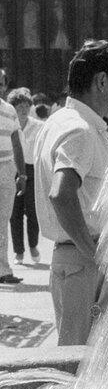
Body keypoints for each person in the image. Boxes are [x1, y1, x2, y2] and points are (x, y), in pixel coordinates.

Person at [34, 39, 108, 345]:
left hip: (73, 259)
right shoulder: (80, 129)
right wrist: (95, 255)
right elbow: (61, 194)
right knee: (80, 361)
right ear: (101, 81)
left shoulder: (59, 122)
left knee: (81, 356)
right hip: (84, 260)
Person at [8, 89, 41, 264]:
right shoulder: (9, 124)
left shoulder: (38, 126)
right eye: (20, 106)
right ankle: (18, 252)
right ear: (13, 108)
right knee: (15, 213)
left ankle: (33, 246)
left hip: (32, 169)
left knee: (33, 211)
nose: (24, 110)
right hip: (13, 168)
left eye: (27, 106)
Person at [0, 69, 26, 284]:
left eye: (0, 83)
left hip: (6, 169)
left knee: (2, 220)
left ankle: (3, 270)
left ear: (5, 86)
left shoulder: (9, 110)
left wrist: (22, 174)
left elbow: (16, 143)